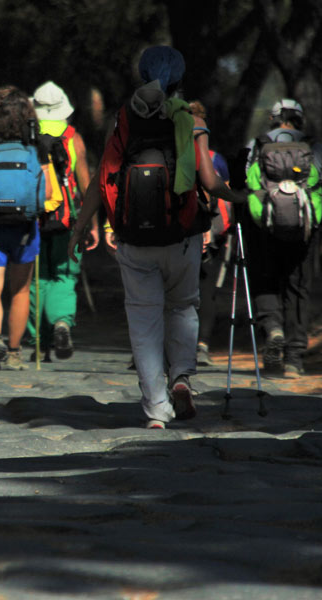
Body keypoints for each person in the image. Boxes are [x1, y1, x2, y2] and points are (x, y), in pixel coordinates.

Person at [69, 46, 247, 429]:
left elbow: (102, 179)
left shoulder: (123, 119)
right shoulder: (190, 119)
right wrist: (241, 196)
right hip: (182, 235)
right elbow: (209, 180)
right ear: (180, 79)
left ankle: (155, 409)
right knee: (183, 307)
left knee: (144, 318)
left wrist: (81, 226)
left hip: (133, 237)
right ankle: (181, 376)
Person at [0, 85, 63, 371]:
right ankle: (16, 351)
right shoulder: (37, 147)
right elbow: (46, 192)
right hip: (24, 227)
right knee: (20, 291)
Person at [242, 98, 322, 378]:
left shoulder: (257, 145)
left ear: (273, 119)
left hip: (264, 229)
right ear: (299, 119)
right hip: (304, 231)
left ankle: (273, 329)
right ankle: (294, 358)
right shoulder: (314, 148)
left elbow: (239, 186)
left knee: (265, 282)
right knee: (298, 289)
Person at [26, 81, 99, 361]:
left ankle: (37, 341)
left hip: (33, 216)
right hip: (67, 217)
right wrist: (91, 222)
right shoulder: (72, 137)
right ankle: (61, 322)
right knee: (64, 275)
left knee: (36, 278)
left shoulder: (27, 135)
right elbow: (85, 183)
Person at [188, 100, 233, 367]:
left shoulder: (171, 153)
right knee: (206, 290)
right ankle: (202, 345)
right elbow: (222, 194)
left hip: (178, 232)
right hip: (210, 233)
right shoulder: (216, 159)